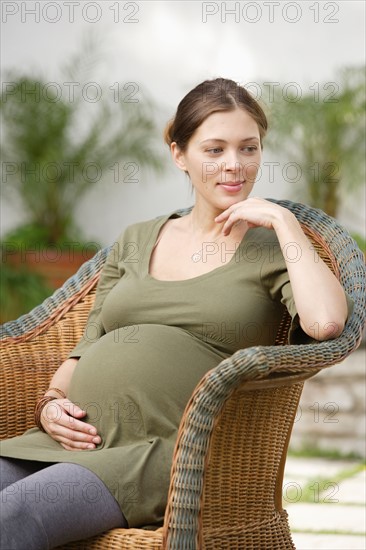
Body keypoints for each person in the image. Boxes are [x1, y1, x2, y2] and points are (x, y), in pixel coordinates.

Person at [0, 78, 351, 549]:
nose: (234, 165)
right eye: (215, 149)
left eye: (249, 148)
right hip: (69, 441)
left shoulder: (271, 248)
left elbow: (327, 323)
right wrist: (50, 404)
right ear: (179, 154)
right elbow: (84, 348)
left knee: (12, 516)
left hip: (161, 456)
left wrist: (286, 223)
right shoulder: (136, 238)